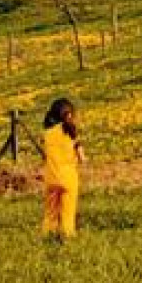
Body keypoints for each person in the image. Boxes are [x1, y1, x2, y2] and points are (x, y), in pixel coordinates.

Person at [40, 97, 83, 239]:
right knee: (68, 212)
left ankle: (47, 234)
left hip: (51, 178)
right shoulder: (71, 132)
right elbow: (81, 156)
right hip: (68, 178)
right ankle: (68, 235)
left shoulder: (47, 134)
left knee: (50, 211)